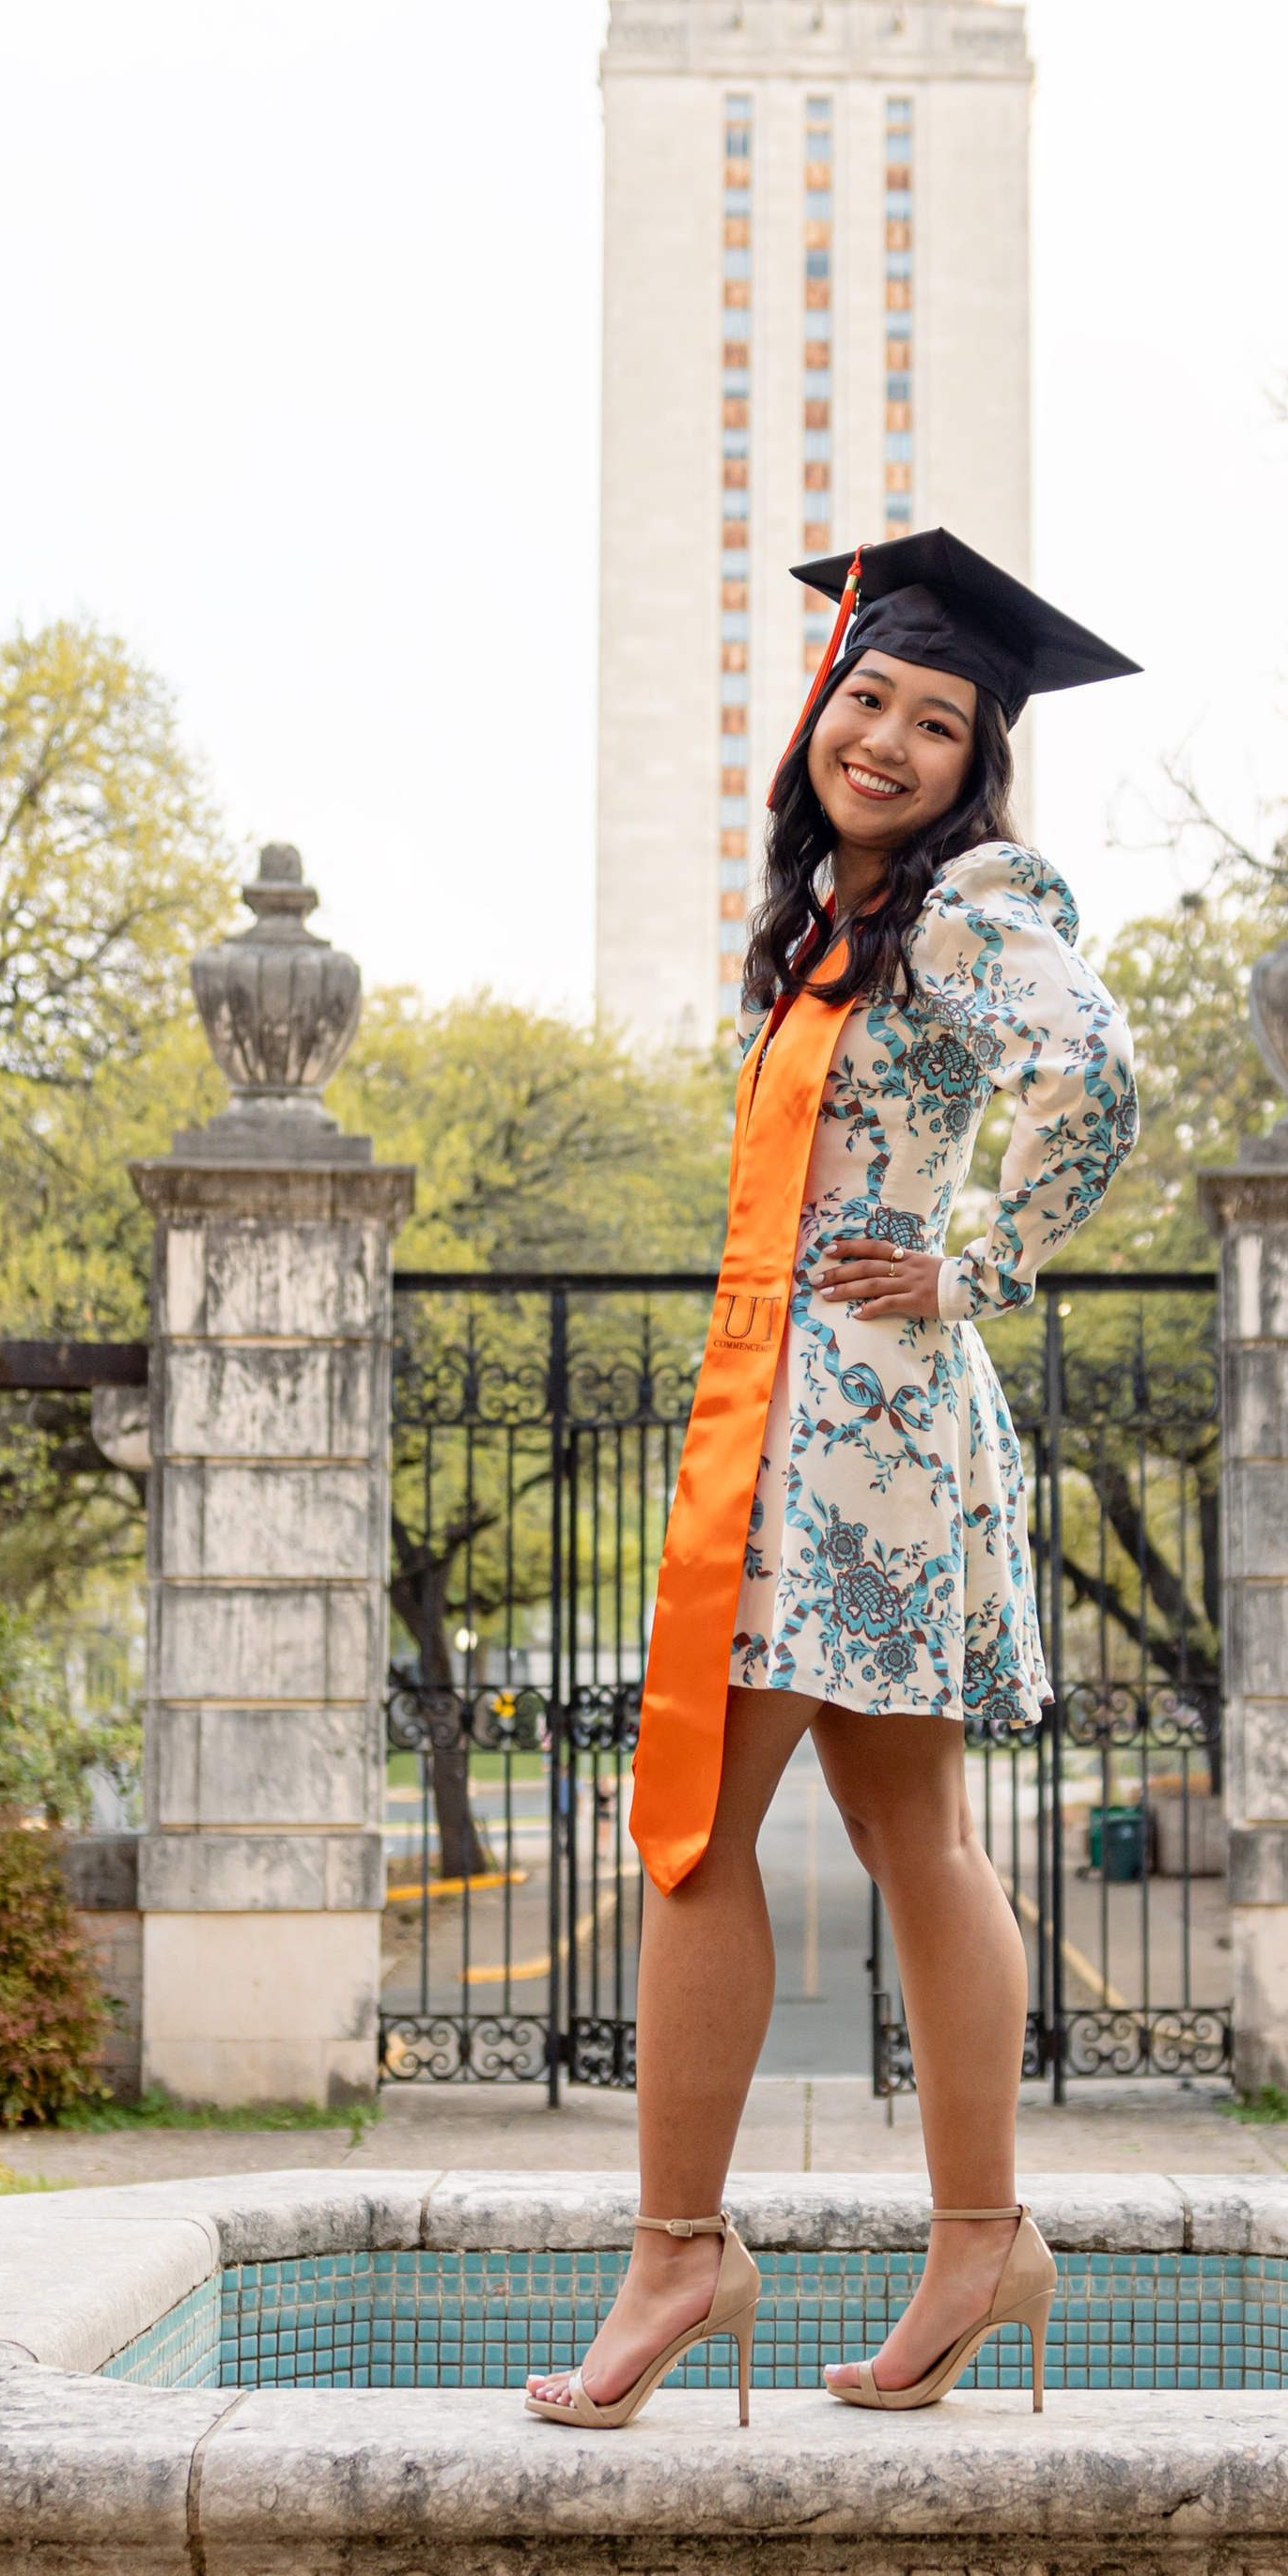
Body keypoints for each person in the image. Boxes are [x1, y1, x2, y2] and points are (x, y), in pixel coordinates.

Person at [527, 529, 1140, 2429]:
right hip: (829, 1416)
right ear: (819, 709)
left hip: (850, 1420)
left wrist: (972, 1266)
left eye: (935, 721)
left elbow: (1094, 1073)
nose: (886, 738)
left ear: (975, 761)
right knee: (911, 1838)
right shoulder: (834, 921)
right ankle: (978, 2241)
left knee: (696, 1830)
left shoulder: (965, 907)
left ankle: (679, 2255)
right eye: (867, 697)